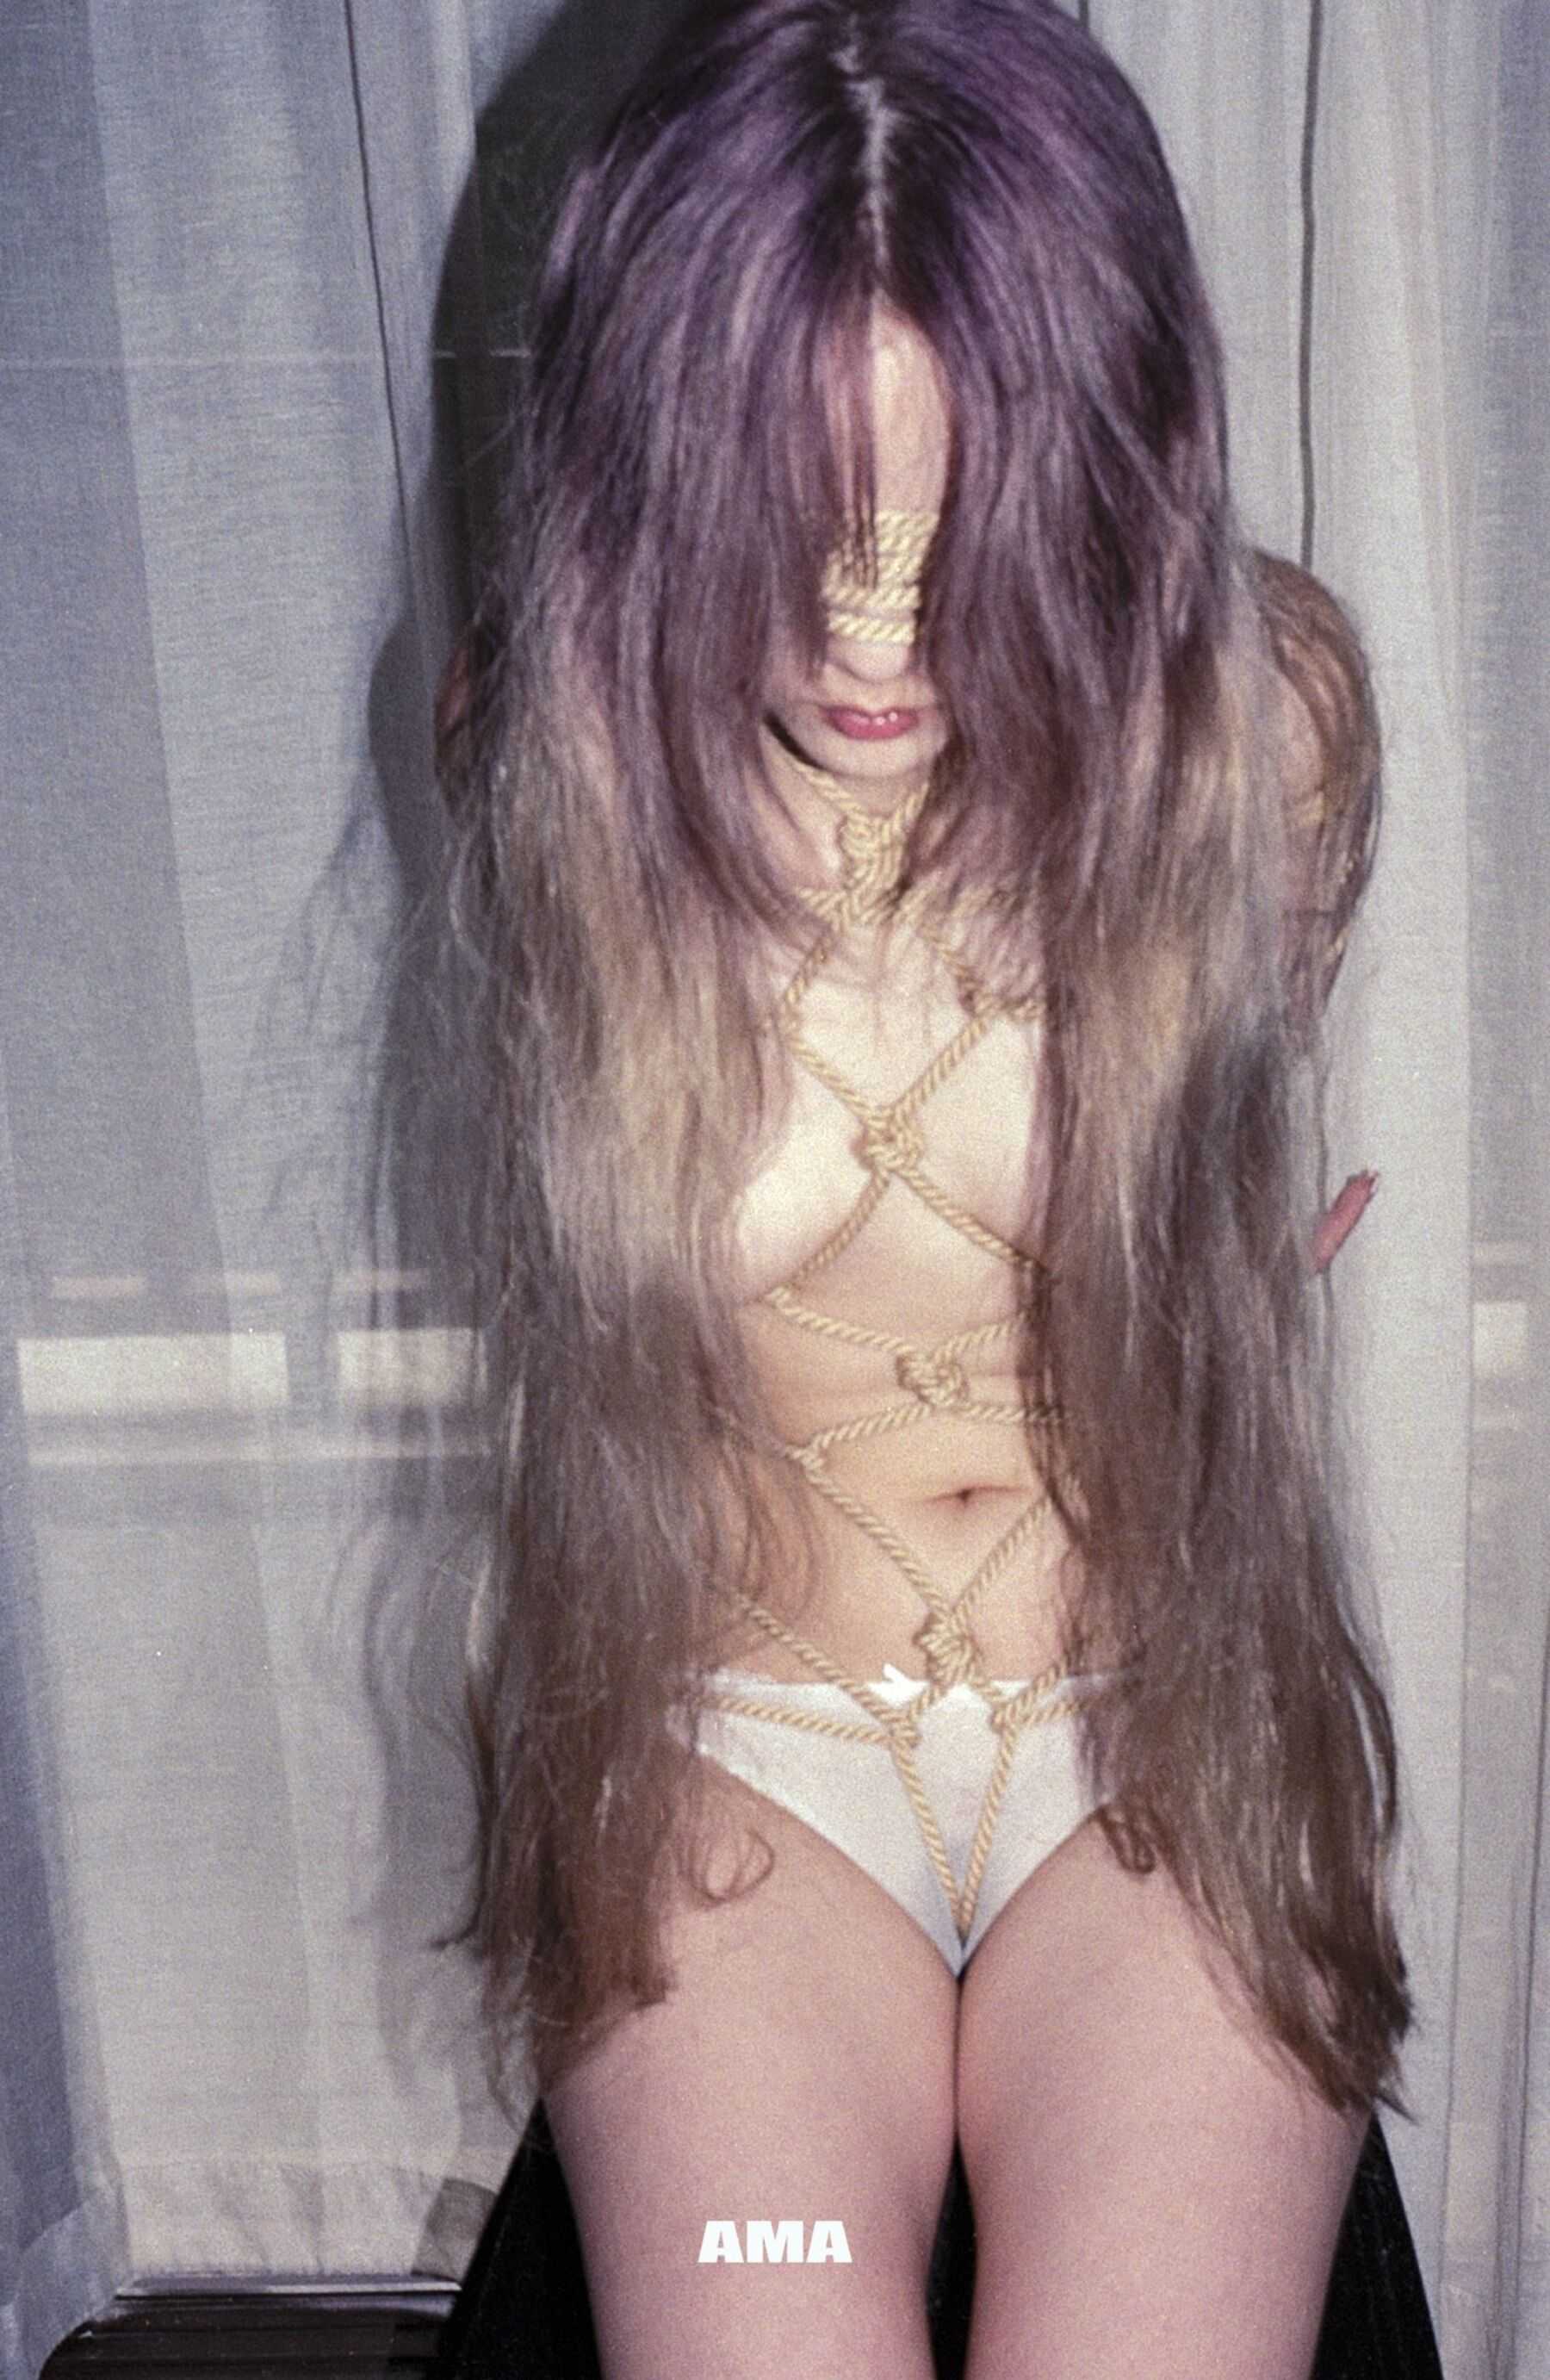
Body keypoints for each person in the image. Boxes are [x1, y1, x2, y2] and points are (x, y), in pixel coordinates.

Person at [439, 3, 1411, 2372]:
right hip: (735, 1759)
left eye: (965, 518)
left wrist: (1218, 1275)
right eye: (793, 518)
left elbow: (1226, 1162)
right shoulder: (546, 749)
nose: (876, 629)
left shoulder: (1261, 727)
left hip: (1157, 1735)